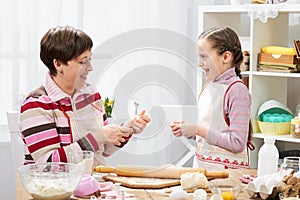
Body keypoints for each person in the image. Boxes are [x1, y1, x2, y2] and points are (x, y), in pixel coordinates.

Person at [19, 26, 151, 166]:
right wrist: (97, 137)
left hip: (92, 181)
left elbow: (104, 149)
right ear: (58, 64)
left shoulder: (91, 96)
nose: (90, 67)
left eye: (89, 59)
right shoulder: (36, 104)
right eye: (83, 61)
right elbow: (48, 164)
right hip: (54, 186)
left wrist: (129, 128)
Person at [170, 27, 253, 170]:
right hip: (203, 170)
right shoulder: (209, 87)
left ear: (226, 57)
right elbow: (214, 134)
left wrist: (198, 130)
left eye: (204, 57)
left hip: (228, 178)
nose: (199, 63)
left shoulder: (237, 90)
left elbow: (237, 143)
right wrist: (190, 131)